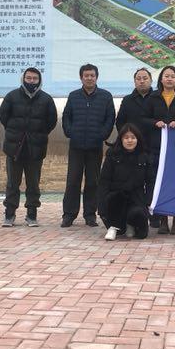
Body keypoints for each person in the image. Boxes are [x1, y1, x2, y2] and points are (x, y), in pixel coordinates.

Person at [0, 67, 58, 227]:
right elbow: (3, 116)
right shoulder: (12, 96)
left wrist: (39, 133)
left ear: (39, 80)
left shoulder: (46, 99)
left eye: (35, 79)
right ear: (23, 79)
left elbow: (51, 121)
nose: (31, 81)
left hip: (35, 149)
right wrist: (14, 131)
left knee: (33, 184)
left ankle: (32, 215)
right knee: (12, 183)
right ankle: (9, 214)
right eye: (28, 78)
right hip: (14, 148)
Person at [61, 64, 116, 228]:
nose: (89, 78)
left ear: (96, 77)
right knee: (73, 181)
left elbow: (110, 118)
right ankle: (69, 215)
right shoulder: (73, 96)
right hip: (76, 146)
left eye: (92, 75)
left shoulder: (105, 96)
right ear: (81, 78)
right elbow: (66, 117)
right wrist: (70, 132)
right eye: (86, 75)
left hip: (95, 146)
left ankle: (90, 215)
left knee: (93, 182)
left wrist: (102, 135)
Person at [142, 65, 175, 235]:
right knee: (160, 184)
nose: (169, 79)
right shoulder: (153, 97)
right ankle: (163, 220)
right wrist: (154, 122)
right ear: (161, 79)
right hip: (158, 147)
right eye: (166, 76)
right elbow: (143, 118)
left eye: (172, 76)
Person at [98, 123, 156, 241]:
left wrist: (148, 200)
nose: (130, 140)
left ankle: (131, 224)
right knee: (113, 208)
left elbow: (150, 181)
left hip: (136, 196)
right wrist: (101, 202)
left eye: (133, 137)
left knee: (141, 233)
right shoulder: (113, 155)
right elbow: (104, 180)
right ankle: (113, 228)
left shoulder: (144, 156)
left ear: (138, 139)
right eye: (126, 137)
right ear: (121, 139)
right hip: (116, 196)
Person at [115, 68, 153, 143]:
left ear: (151, 81)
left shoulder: (158, 99)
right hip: (132, 142)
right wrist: (127, 137)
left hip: (153, 142)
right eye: (138, 79)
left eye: (145, 78)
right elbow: (120, 122)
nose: (142, 81)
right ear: (134, 82)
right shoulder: (127, 100)